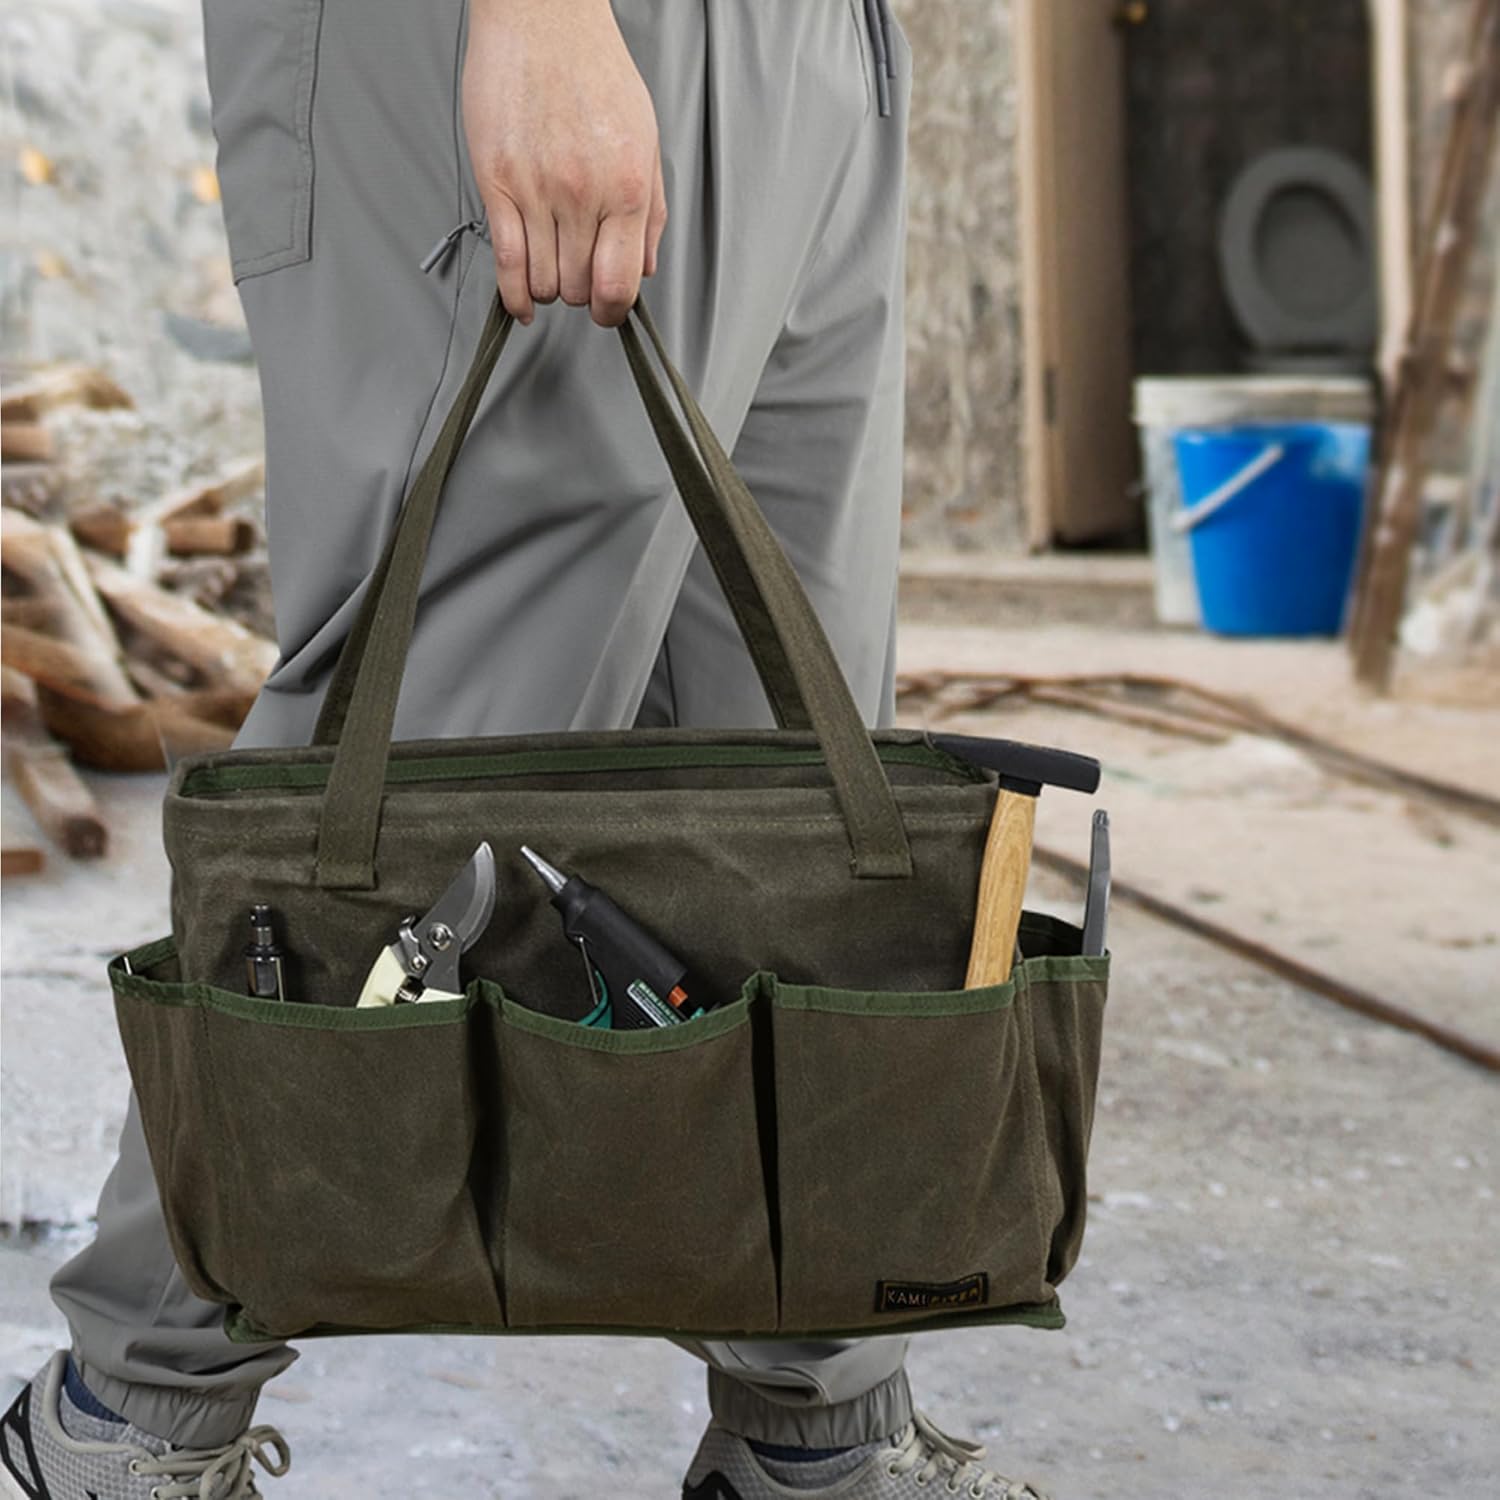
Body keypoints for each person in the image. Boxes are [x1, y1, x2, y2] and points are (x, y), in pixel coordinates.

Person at [0, 3, 1052, 1497]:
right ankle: (125, 1422)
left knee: (798, 789)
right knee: (430, 754)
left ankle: (813, 1431)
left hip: (822, 42)